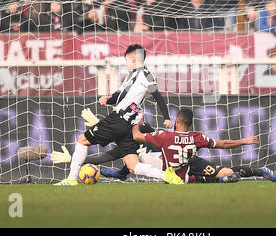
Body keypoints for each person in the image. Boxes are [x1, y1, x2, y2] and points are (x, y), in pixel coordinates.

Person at [54, 44, 183, 185]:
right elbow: (119, 96)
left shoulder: (146, 74)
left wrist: (166, 117)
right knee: (132, 165)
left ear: (133, 58)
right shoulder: (131, 76)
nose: (126, 64)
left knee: (82, 140)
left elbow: (157, 96)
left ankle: (71, 180)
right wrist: (108, 99)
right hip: (128, 126)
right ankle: (166, 176)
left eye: (127, 60)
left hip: (119, 119)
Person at [51, 110, 276, 183]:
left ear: (178, 122)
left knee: (138, 157)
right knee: (226, 173)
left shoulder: (164, 137)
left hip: (184, 171)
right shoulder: (197, 137)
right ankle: (260, 171)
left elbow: (134, 137)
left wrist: (123, 125)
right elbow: (222, 144)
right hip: (189, 164)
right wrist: (244, 141)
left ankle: (251, 174)